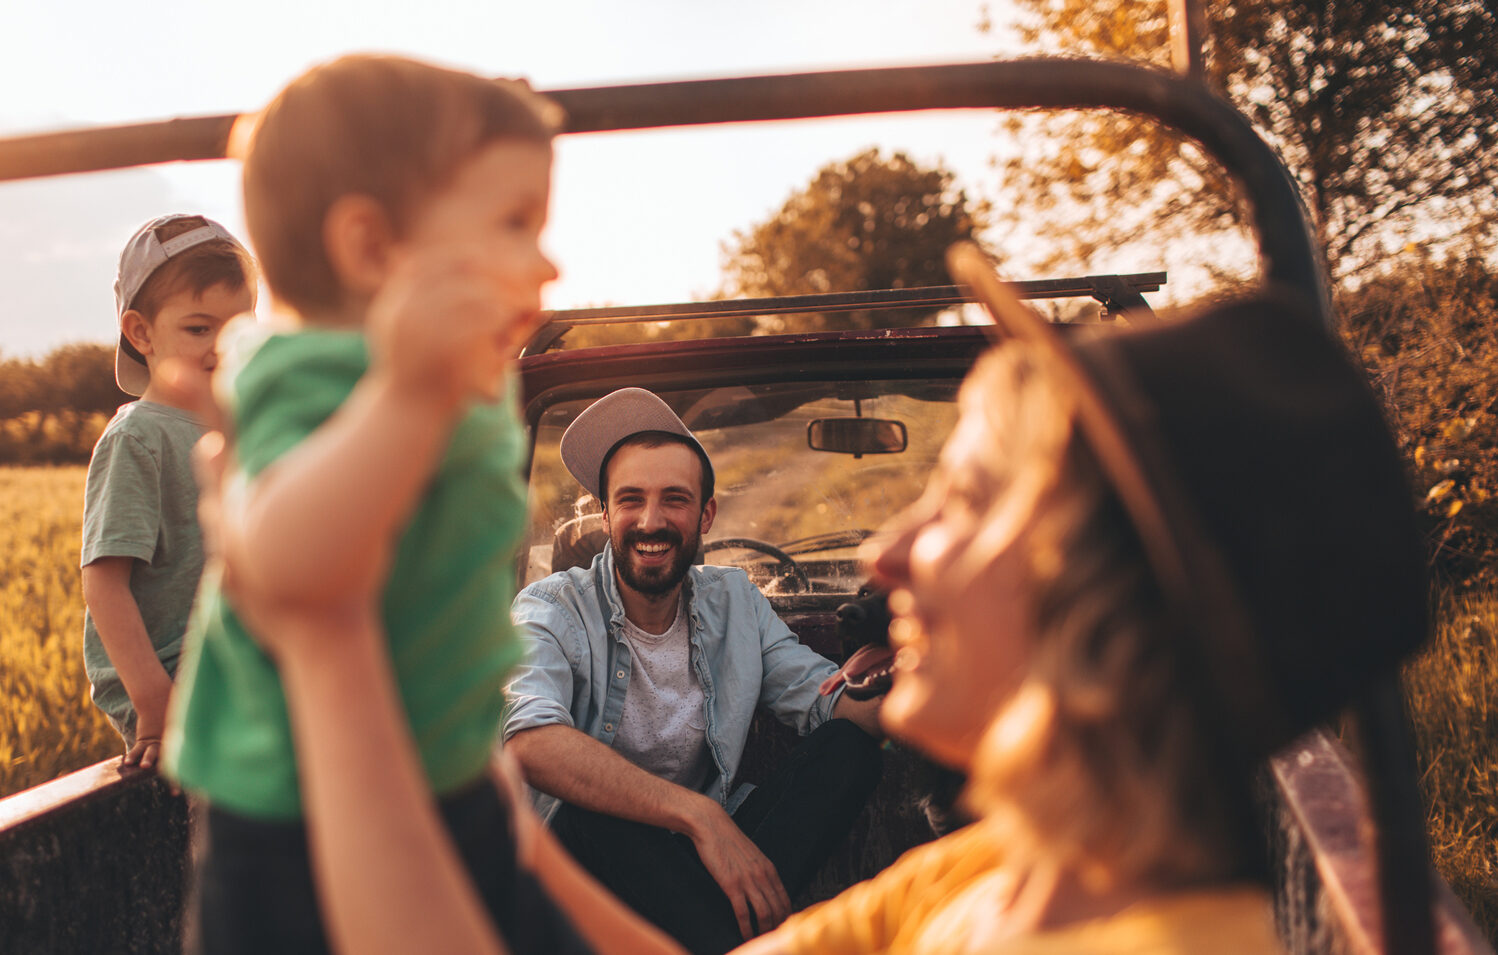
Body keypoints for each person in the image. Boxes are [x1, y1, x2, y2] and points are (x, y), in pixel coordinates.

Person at [215, 242, 1432, 955]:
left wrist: (327, 659)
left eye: (963, 501)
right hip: (622, 850)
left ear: (1108, 597)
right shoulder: (999, 871)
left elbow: (812, 701)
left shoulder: (1110, 927)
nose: (889, 556)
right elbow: (530, 745)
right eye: (630, 501)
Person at [160, 55, 600, 955]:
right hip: (300, 833)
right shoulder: (314, 376)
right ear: (370, 248)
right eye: (514, 223)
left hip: (449, 784)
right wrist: (403, 398)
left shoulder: (458, 381)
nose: (548, 261)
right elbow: (281, 559)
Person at [504, 387, 887, 954]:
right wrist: (698, 815)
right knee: (586, 813)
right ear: (605, 513)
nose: (650, 521)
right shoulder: (550, 607)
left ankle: (718, 938)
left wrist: (910, 675)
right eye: (630, 500)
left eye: (674, 500)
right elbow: (531, 741)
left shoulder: (735, 601)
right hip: (583, 874)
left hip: (692, 866)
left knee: (847, 748)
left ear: (706, 514)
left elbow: (825, 700)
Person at [80, 213, 253, 768]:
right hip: (176, 677)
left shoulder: (239, 428)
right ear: (141, 333)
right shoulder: (138, 437)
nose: (221, 347)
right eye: (199, 329)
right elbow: (105, 583)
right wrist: (156, 703)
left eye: (239, 327)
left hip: (242, 659)